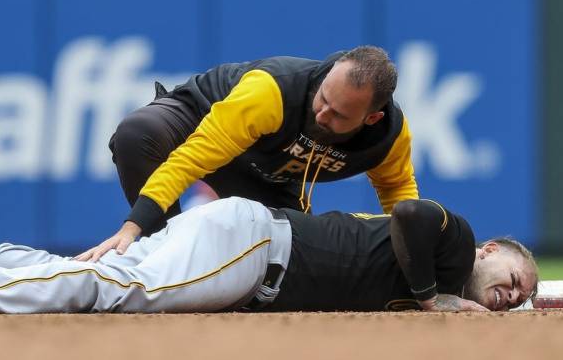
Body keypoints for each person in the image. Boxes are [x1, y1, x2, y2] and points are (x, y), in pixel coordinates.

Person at [0, 198, 537, 315]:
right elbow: (410, 213)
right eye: (516, 277)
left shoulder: (457, 288)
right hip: (259, 249)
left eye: (523, 292)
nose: (514, 288)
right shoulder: (458, 243)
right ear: (495, 250)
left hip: (246, 246)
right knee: (117, 290)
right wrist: (431, 296)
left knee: (93, 270)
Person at [78, 46, 419, 262]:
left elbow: (397, 192)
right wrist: (134, 226)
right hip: (199, 119)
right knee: (138, 134)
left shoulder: (389, 138)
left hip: (263, 171)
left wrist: (414, 255)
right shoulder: (273, 91)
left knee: (296, 257)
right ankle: (161, 258)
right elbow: (192, 157)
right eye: (323, 98)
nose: (322, 114)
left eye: (339, 114)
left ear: (371, 118)